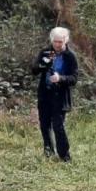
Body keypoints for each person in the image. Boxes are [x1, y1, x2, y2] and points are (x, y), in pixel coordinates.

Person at [32, 27, 79, 162]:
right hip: (45, 94)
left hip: (60, 95)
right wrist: (43, 65)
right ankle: (48, 151)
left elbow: (74, 79)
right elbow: (34, 70)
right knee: (44, 124)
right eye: (55, 42)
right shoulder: (46, 52)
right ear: (52, 40)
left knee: (58, 125)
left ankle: (65, 156)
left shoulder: (70, 56)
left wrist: (60, 78)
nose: (57, 45)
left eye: (60, 42)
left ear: (66, 40)